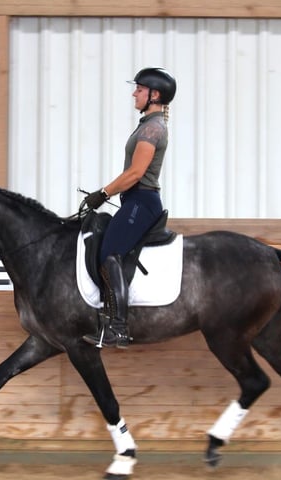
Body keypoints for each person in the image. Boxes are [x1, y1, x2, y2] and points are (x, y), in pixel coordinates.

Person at [82, 67, 177, 349]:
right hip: (134, 200)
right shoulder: (148, 124)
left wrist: (103, 193)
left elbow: (135, 173)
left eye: (139, 89)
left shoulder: (153, 128)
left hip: (141, 201)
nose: (134, 93)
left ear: (154, 94)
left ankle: (118, 327)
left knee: (109, 253)